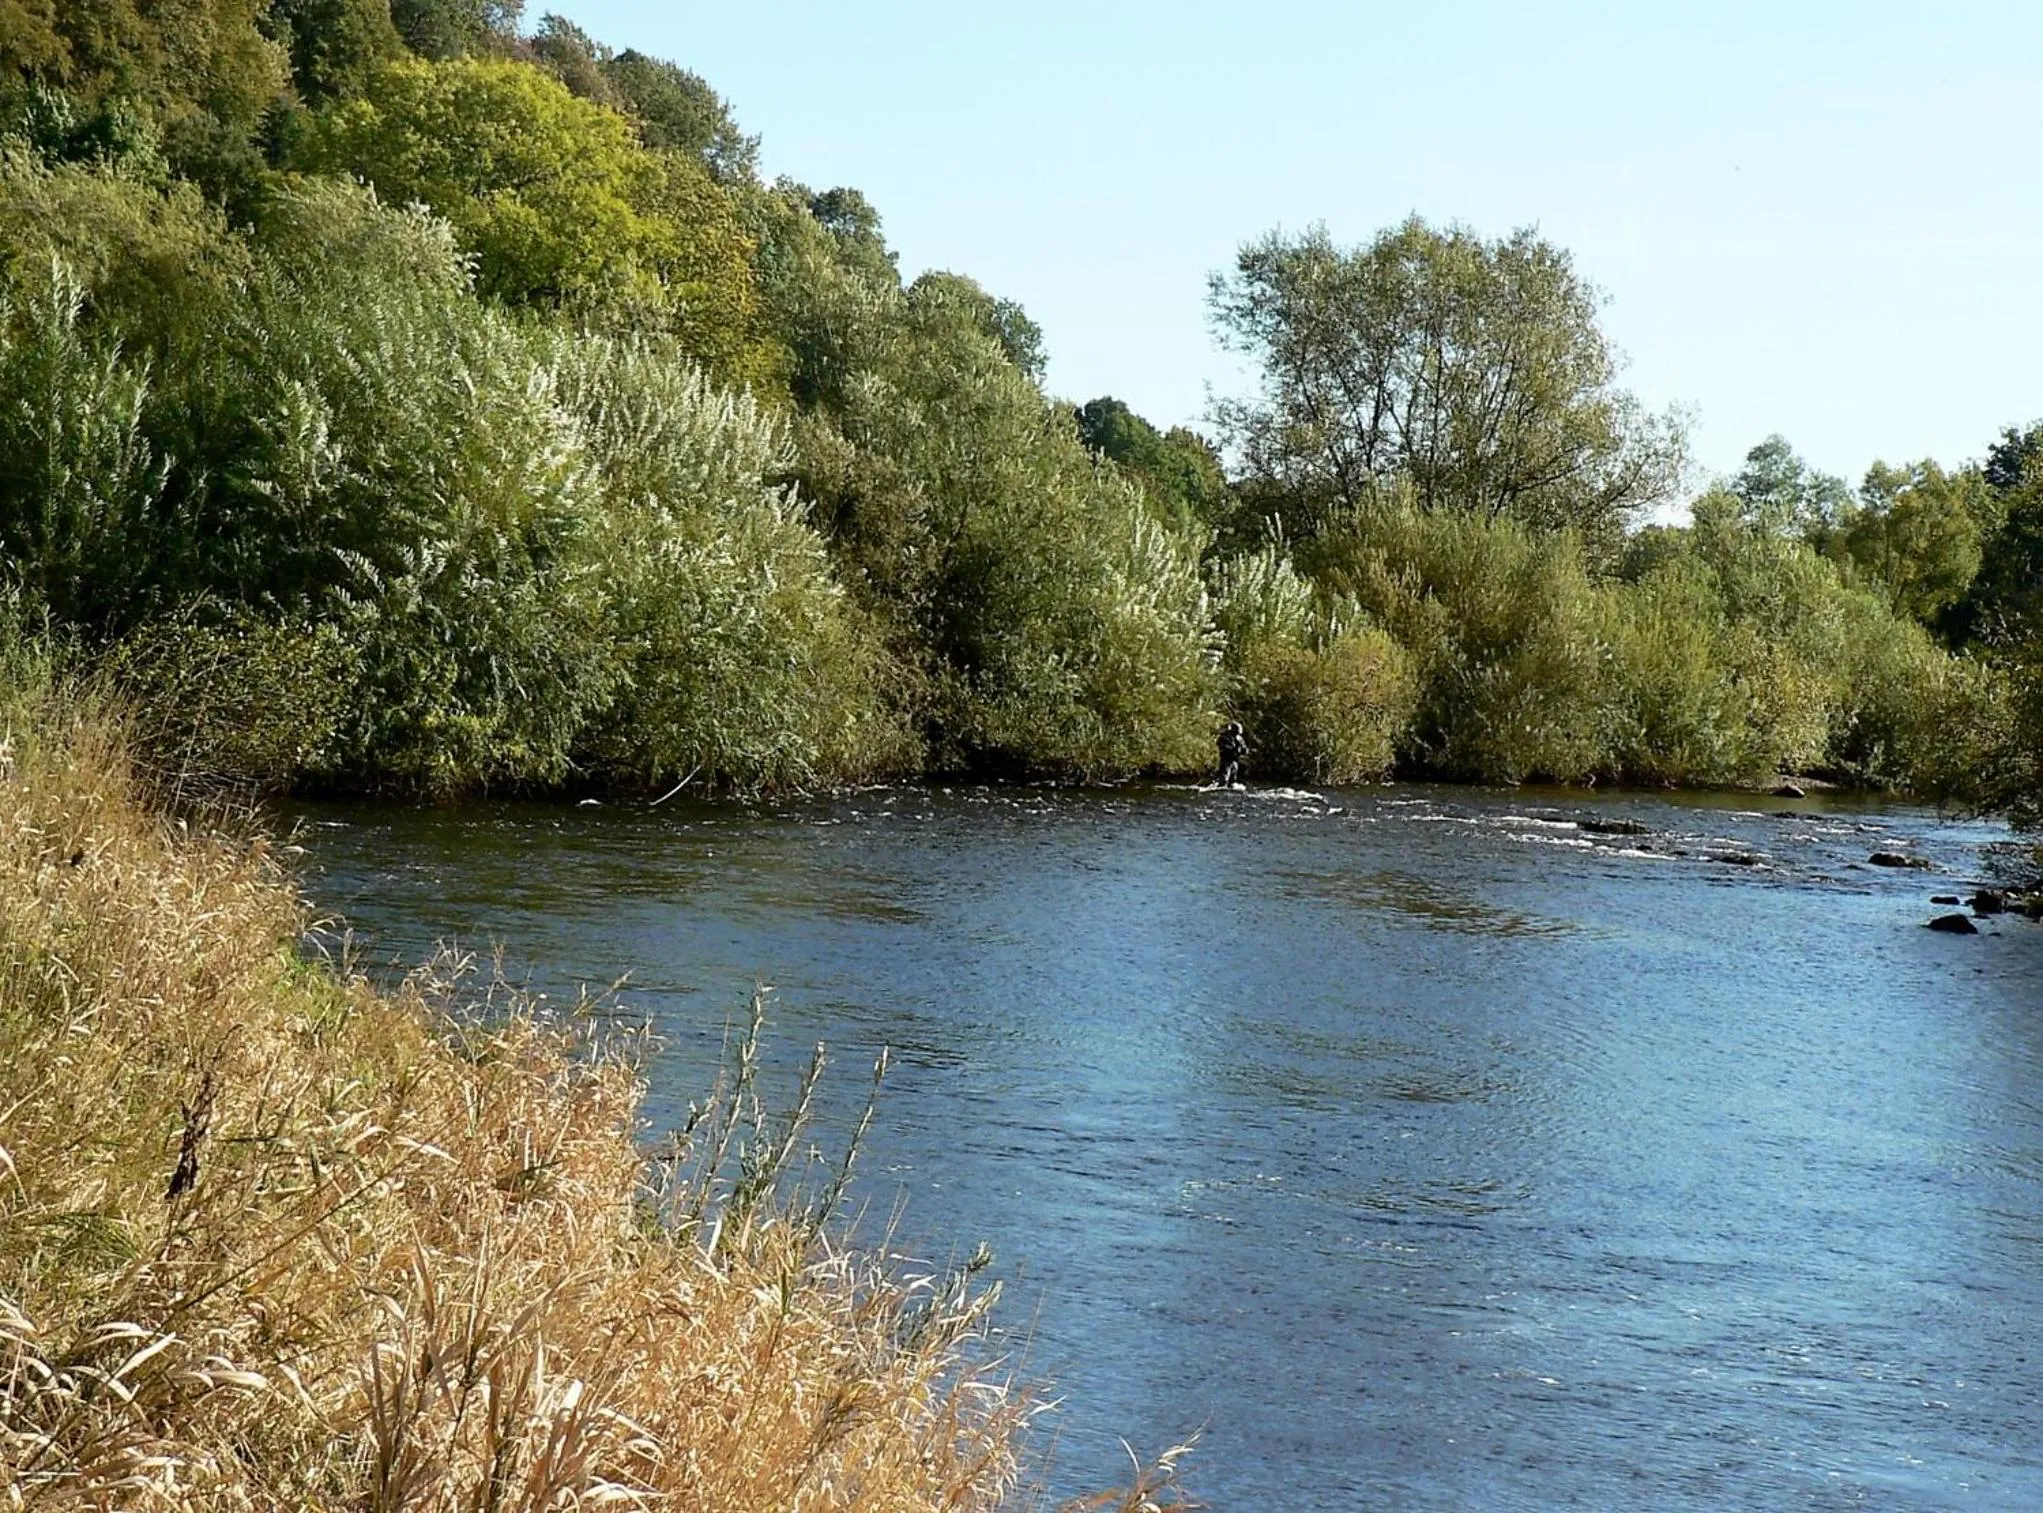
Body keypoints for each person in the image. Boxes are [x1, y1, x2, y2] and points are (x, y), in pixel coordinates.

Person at [1216, 721, 1248, 787]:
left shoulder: (1239, 738)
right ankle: (1220, 786)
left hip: (1234, 760)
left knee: (1233, 780)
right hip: (1226, 760)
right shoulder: (1224, 737)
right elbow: (1221, 745)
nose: (1237, 734)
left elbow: (1244, 748)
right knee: (1224, 778)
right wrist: (1233, 749)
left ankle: (1230, 786)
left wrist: (1243, 750)